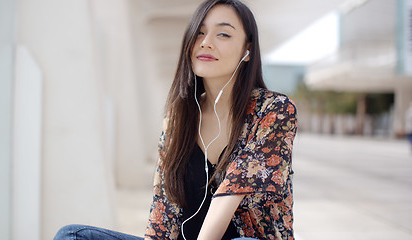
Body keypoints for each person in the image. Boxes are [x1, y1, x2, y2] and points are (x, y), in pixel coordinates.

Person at [54, 0, 297, 239]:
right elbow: (163, 211)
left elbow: (231, 192)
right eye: (199, 32)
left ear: (248, 50)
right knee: (72, 236)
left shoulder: (274, 110)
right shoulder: (178, 117)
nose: (206, 42)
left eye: (223, 34)